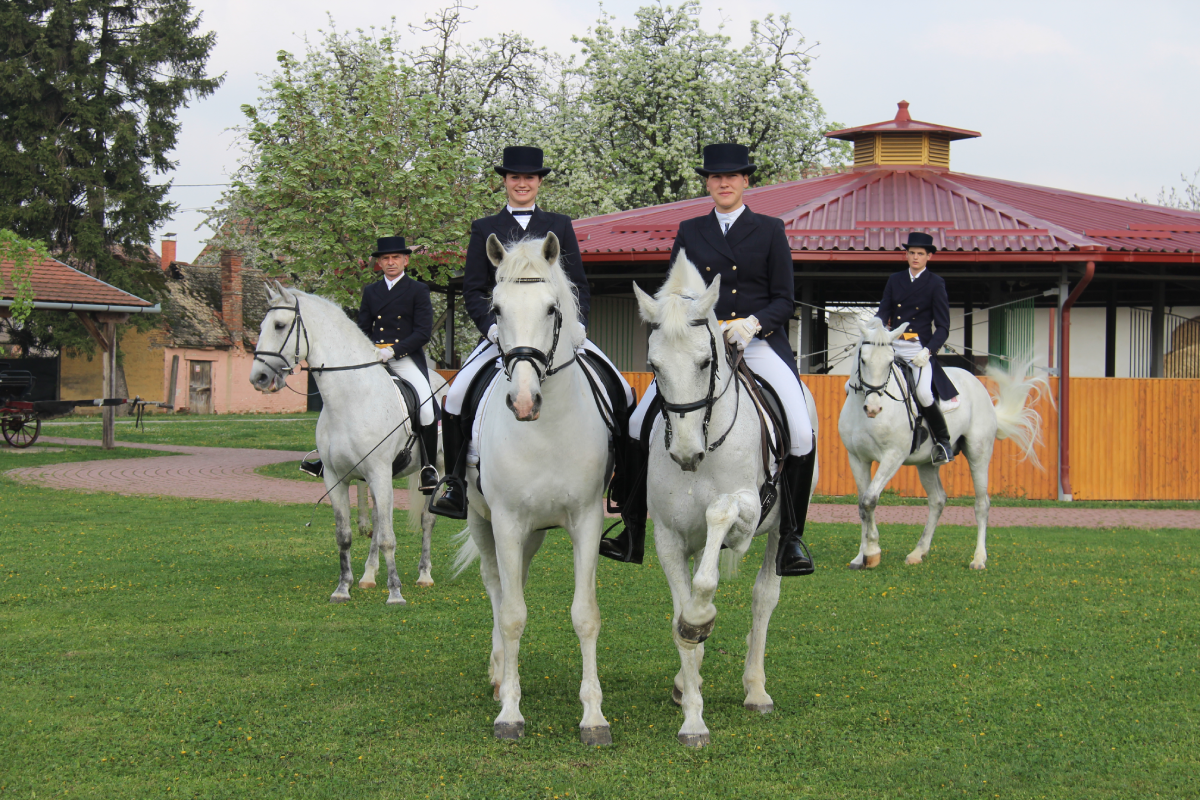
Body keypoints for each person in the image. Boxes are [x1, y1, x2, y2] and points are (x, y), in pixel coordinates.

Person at [602, 143, 816, 576]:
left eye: (732, 176)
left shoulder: (770, 229)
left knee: (799, 428)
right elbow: (675, 292)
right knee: (637, 423)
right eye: (716, 177)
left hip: (757, 342)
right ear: (708, 183)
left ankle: (791, 535)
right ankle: (632, 525)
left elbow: (785, 299)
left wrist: (753, 323)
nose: (724, 183)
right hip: (700, 345)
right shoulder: (690, 230)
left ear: (745, 181)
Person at [429, 146, 634, 520]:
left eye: (529, 178)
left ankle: (623, 479)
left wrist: (578, 325)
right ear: (505, 182)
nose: (521, 183)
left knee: (622, 388)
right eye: (514, 177)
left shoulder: (559, 226)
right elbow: (474, 289)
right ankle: (456, 484)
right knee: (456, 395)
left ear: (539, 182)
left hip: (556, 336)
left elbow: (578, 286)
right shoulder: (485, 229)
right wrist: (490, 329)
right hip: (502, 337)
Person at [357, 236, 440, 491]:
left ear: (405, 260)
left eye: (395, 258)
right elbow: (362, 328)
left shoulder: (418, 290)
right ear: (379, 263)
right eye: (385, 259)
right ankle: (330, 456)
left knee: (426, 408)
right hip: (373, 358)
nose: (390, 262)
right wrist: (371, 349)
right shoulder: (371, 291)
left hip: (404, 358)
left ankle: (428, 466)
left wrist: (392, 351)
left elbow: (423, 333)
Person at [874, 231, 960, 465]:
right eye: (911, 253)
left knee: (922, 393)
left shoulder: (935, 283)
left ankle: (943, 441)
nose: (915, 257)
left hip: (916, 347)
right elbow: (884, 311)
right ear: (907, 254)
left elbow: (943, 327)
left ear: (928, 257)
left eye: (920, 254)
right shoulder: (895, 279)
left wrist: (928, 351)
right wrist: (876, 326)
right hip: (893, 343)